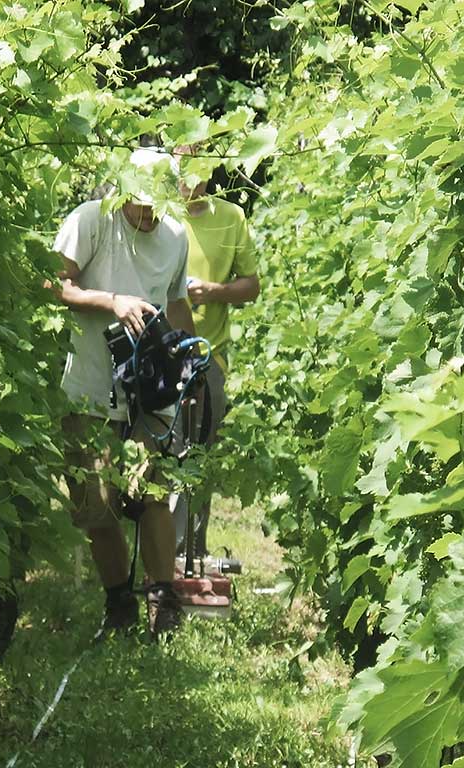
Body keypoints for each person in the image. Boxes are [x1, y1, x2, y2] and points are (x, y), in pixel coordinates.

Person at [53, 148, 197, 639]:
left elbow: (176, 303)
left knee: (154, 492)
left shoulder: (176, 236)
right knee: (98, 505)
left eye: (157, 201)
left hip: (150, 389)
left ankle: (164, 602)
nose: (147, 211)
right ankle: (118, 604)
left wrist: (194, 365)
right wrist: (111, 301)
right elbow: (55, 283)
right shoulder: (92, 221)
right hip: (89, 386)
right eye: (139, 200)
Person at [175, 156, 260, 554]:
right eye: (184, 174)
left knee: (200, 452)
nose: (193, 184)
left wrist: (213, 292)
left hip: (210, 355)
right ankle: (163, 554)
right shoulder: (156, 213)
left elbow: (251, 286)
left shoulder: (231, 216)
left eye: (201, 174)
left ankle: (193, 549)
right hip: (158, 349)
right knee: (162, 450)